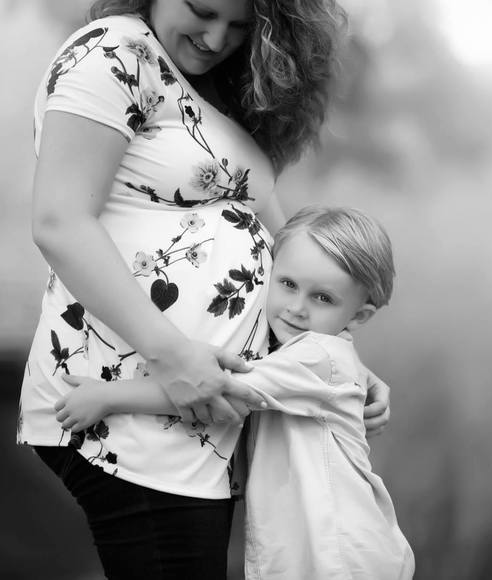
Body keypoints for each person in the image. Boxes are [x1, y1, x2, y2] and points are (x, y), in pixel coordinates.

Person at [17, 1, 390, 578]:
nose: (217, 39)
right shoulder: (115, 51)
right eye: (202, 10)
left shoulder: (213, 88)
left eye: (240, 25)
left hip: (196, 423)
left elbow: (291, 250)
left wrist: (333, 359)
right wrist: (173, 358)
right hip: (132, 407)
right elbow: (60, 223)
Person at [55, 205, 415, 580]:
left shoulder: (317, 356)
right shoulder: (304, 354)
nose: (296, 308)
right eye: (288, 284)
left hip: (342, 557)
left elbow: (217, 390)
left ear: (358, 316)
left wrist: (108, 396)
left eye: (322, 298)